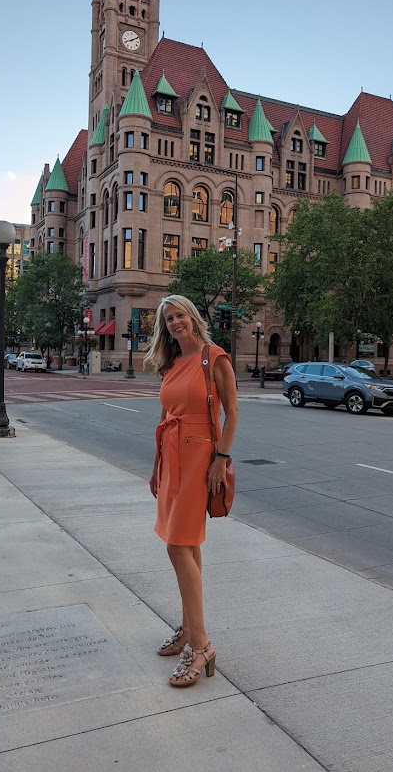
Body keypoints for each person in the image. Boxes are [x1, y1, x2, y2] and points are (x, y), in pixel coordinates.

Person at [144, 294, 238, 688]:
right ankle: (187, 628)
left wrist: (221, 458)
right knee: (187, 544)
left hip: (201, 457)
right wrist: (155, 466)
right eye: (168, 319)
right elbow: (165, 416)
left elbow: (232, 412)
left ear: (193, 317)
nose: (174, 323)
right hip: (171, 457)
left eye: (179, 315)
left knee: (177, 545)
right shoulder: (172, 363)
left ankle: (201, 645)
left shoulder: (213, 358)